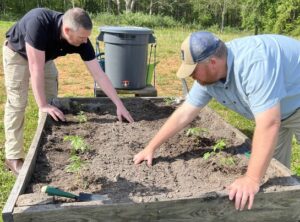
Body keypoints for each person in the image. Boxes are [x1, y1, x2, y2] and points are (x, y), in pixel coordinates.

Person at [134, 31, 300, 211]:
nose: (192, 77)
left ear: (212, 62)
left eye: (193, 70)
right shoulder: (209, 78)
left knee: (256, 178)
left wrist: (251, 179)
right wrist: (151, 147)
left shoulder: (254, 64)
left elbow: (268, 123)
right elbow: (184, 113)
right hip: (279, 109)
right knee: (275, 174)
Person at [3, 7, 134, 176]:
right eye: (81, 37)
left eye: (86, 37)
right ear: (66, 30)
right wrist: (41, 105)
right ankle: (13, 156)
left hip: (46, 57)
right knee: (18, 102)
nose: (85, 41)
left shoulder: (81, 40)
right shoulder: (38, 24)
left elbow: (99, 75)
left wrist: (119, 104)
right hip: (18, 54)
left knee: (52, 102)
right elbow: (36, 69)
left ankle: (43, 146)